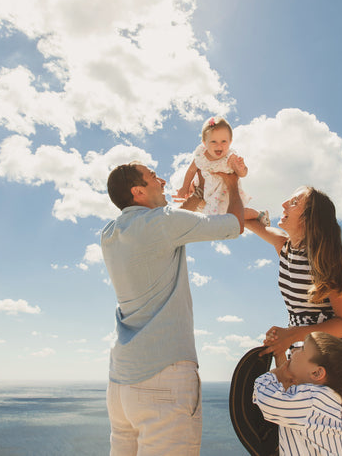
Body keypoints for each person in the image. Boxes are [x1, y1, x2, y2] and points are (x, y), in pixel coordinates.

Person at [246, 187, 342, 455]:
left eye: (294, 202)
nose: (284, 202)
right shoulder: (284, 247)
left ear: (308, 219)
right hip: (304, 353)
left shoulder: (324, 259)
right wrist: (246, 201)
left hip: (331, 358)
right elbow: (245, 219)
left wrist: (292, 335)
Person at [101, 162, 244, 455]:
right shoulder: (164, 222)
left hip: (121, 384)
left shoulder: (110, 234)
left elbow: (164, 228)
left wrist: (195, 198)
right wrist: (231, 184)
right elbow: (234, 225)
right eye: (154, 177)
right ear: (138, 191)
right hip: (164, 378)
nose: (163, 180)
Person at [253, 332, 342, 456]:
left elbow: (269, 401)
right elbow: (290, 391)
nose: (294, 350)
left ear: (316, 373)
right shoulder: (323, 403)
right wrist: (280, 357)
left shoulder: (314, 402)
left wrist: (273, 375)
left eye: (302, 348)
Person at [176, 116, 269, 225]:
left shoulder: (230, 157)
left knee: (231, 214)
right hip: (207, 190)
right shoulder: (201, 154)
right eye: (213, 141)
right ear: (205, 143)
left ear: (230, 142)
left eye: (224, 141)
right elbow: (191, 170)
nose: (219, 145)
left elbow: (242, 174)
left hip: (222, 193)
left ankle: (258, 214)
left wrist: (241, 168)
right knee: (200, 213)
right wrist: (185, 187)